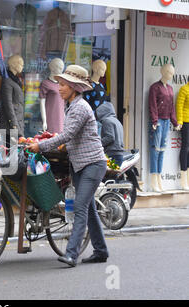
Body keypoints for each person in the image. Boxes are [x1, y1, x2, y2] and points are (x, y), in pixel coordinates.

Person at [26, 65, 109, 267]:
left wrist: (40, 146)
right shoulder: (70, 105)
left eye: (63, 84)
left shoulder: (80, 107)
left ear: (74, 87)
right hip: (80, 165)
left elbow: (66, 135)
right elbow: (69, 138)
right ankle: (101, 250)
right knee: (88, 208)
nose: (60, 88)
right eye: (60, 84)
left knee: (80, 207)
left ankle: (71, 254)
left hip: (92, 164)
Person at [95, 101, 125, 168]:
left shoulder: (107, 121)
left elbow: (110, 137)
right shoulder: (116, 121)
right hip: (119, 154)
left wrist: (98, 144)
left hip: (112, 154)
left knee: (108, 177)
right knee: (113, 176)